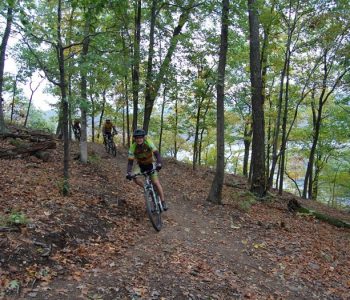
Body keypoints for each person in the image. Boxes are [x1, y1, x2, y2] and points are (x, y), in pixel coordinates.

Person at [126, 128, 168, 211]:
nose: (139, 139)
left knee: (156, 182)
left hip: (150, 163)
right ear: (135, 139)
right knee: (134, 177)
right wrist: (128, 173)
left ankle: (163, 202)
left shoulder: (148, 142)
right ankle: (146, 188)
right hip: (141, 165)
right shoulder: (132, 147)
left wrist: (159, 163)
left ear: (143, 137)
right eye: (137, 138)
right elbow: (130, 162)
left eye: (140, 137)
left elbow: (157, 154)